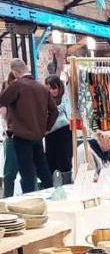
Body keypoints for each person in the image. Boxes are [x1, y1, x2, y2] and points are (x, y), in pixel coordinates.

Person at [0, 59, 57, 196]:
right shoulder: (42, 88)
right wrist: (46, 128)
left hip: (21, 136)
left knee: (27, 173)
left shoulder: (17, 85)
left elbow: (2, 101)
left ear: (14, 71)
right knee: (43, 170)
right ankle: (54, 197)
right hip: (38, 135)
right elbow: (54, 111)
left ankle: (30, 203)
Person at [44, 75, 73, 183]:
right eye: (49, 89)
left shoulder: (65, 97)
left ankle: (66, 183)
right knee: (51, 161)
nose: (52, 91)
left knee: (64, 161)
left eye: (54, 88)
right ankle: (54, 186)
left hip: (64, 132)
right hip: (49, 134)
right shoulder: (45, 100)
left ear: (59, 87)